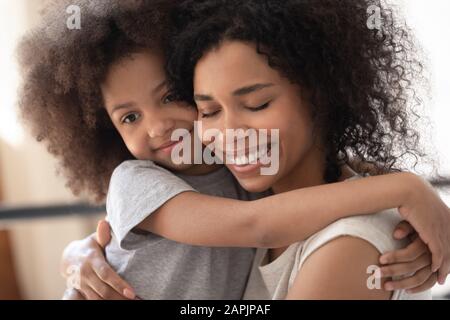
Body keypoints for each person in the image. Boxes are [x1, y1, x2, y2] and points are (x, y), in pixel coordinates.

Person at [17, 0, 449, 300]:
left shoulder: (338, 237)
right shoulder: (155, 179)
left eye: (257, 104)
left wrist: (405, 192)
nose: (229, 134)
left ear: (322, 92)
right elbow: (255, 223)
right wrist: (78, 254)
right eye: (210, 110)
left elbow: (278, 210)